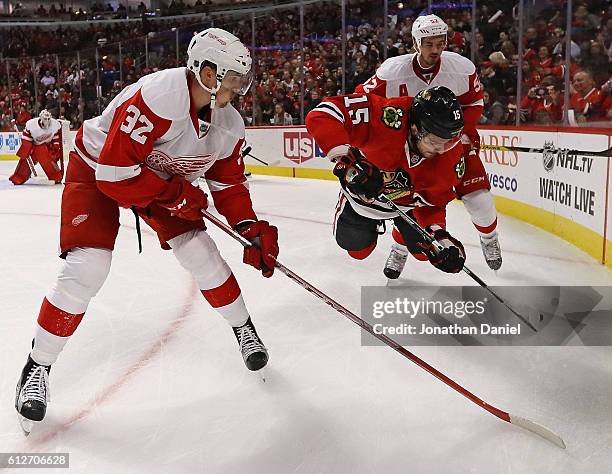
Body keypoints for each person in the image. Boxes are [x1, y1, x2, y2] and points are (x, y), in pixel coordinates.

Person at [15, 28, 279, 434]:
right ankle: (38, 366)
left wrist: (249, 227)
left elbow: (228, 184)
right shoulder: (159, 96)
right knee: (88, 268)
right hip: (99, 167)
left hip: (157, 179)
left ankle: (244, 328)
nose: (238, 89)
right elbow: (115, 175)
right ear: (207, 74)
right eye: (231, 79)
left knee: (201, 253)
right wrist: (174, 195)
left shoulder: (229, 123)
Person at [355, 14, 501, 279]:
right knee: (407, 203)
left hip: (451, 146)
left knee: (480, 198)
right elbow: (361, 100)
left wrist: (464, 132)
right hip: (408, 152)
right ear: (415, 43)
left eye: (440, 43)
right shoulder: (392, 71)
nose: (435, 50)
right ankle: (400, 249)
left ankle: (489, 238)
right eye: (428, 44)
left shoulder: (461, 69)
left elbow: (474, 102)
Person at [306, 86, 469, 278]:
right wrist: (346, 161)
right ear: (416, 129)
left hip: (406, 208)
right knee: (357, 250)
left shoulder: (449, 156)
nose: (441, 150)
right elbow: (323, 113)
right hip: (364, 199)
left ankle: (399, 233)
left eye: (448, 142)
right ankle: (364, 216)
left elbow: (433, 203)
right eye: (434, 141)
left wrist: (441, 237)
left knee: (426, 253)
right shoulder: (387, 116)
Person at [9, 109, 63, 185]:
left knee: (48, 160)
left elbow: (56, 136)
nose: (47, 120)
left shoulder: (55, 124)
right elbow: (26, 139)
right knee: (25, 163)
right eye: (45, 119)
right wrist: (27, 149)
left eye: (48, 119)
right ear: (40, 118)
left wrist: (55, 148)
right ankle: (19, 177)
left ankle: (56, 176)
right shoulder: (31, 125)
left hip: (46, 147)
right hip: (33, 146)